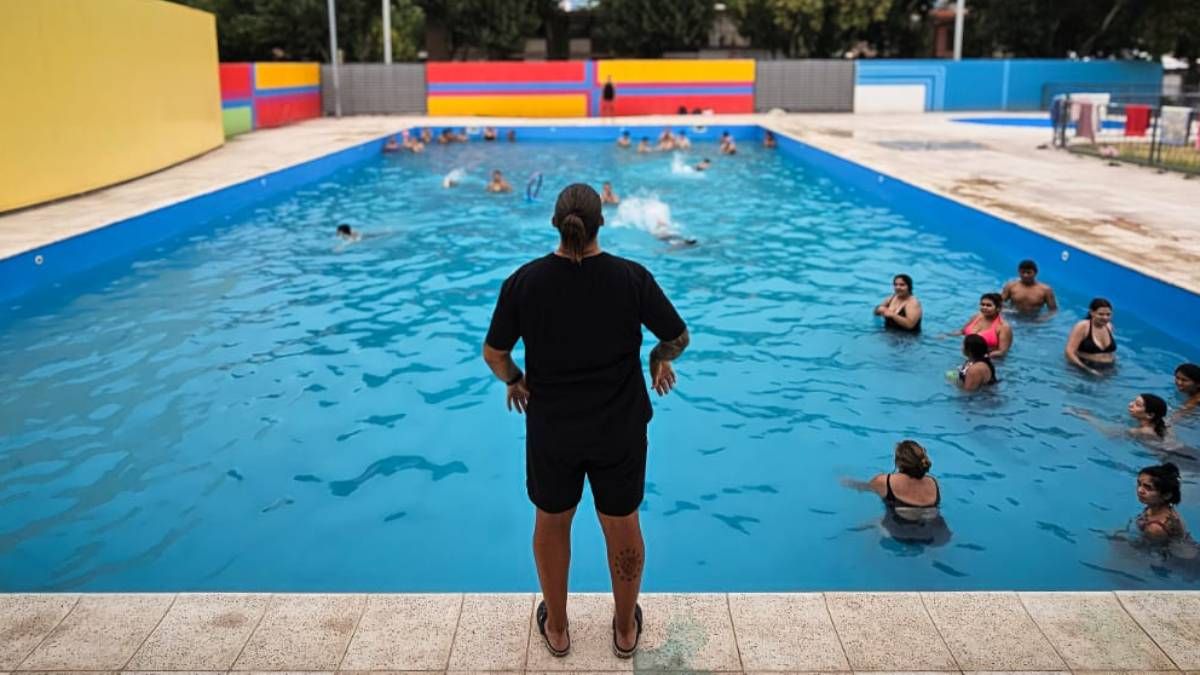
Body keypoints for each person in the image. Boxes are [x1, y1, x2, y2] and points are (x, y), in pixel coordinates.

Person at [483, 184, 689, 659]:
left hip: (553, 428)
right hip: (619, 426)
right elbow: (677, 337)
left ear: (555, 223)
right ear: (602, 224)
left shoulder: (525, 282)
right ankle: (623, 630)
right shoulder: (631, 278)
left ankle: (557, 629)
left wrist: (515, 380)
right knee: (622, 524)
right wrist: (657, 356)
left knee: (552, 523)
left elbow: (495, 354)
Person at [1135, 463, 1188, 543]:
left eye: (1148, 487)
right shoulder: (1158, 507)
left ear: (1166, 495)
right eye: (1139, 484)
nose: (1140, 490)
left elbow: (1150, 552)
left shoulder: (1155, 528)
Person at [1065, 298, 1116, 374]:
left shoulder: (1109, 326)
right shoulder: (1082, 326)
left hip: (1109, 368)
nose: (1105, 318)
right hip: (1084, 367)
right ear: (1092, 312)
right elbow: (1069, 352)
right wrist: (1087, 370)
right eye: (1101, 314)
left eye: (1108, 314)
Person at [960, 293, 1012, 358]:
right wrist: (946, 336)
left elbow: (1002, 352)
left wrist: (982, 357)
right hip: (969, 355)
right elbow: (962, 331)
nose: (984, 307)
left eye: (989, 305)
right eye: (982, 304)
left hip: (989, 360)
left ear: (998, 308)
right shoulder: (976, 317)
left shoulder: (1003, 327)